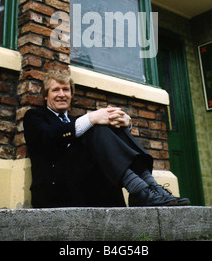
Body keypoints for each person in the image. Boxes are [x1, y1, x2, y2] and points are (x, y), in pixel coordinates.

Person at [24, 69, 190, 208]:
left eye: (66, 90)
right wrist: (92, 118)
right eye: (55, 90)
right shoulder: (34, 117)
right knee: (96, 125)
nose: (61, 94)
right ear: (46, 96)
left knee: (109, 122)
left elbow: (104, 147)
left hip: (85, 185)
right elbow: (50, 137)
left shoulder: (77, 122)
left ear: (71, 95)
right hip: (56, 190)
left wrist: (125, 124)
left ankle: (149, 187)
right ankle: (139, 190)